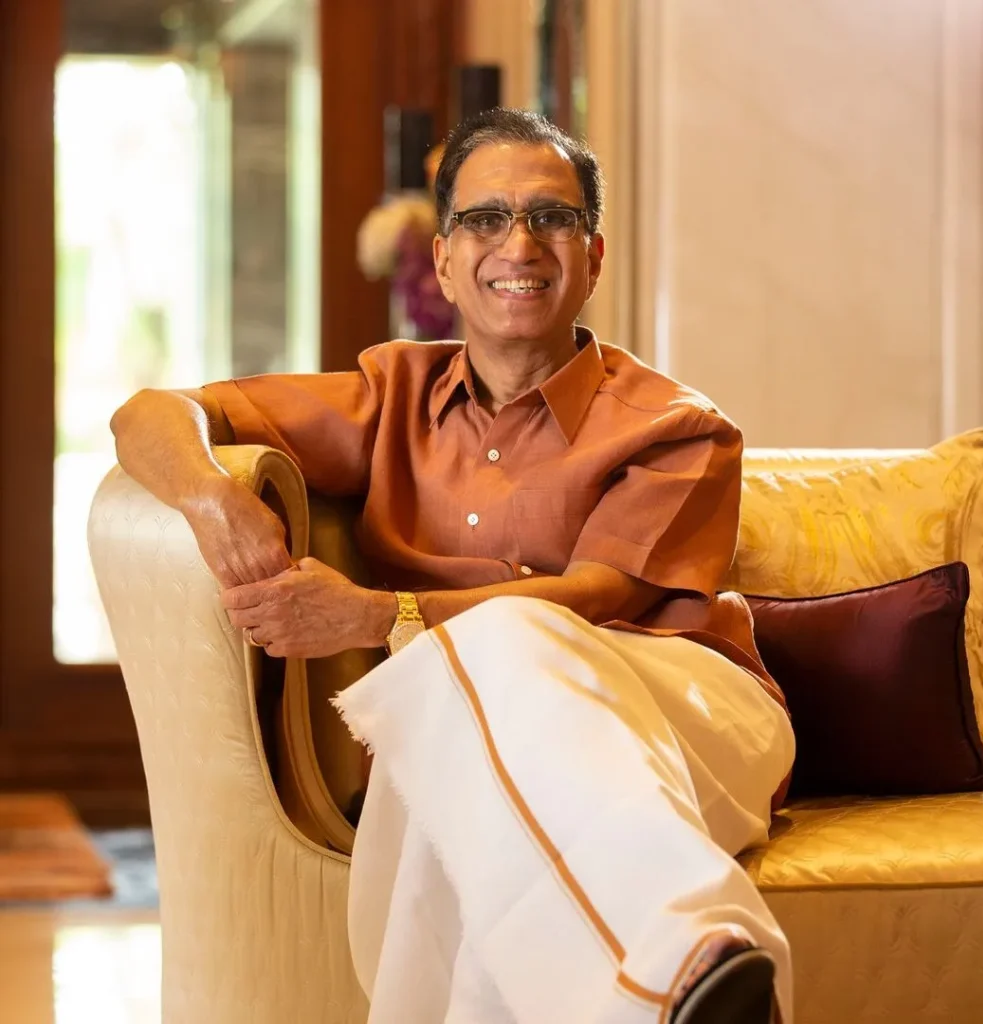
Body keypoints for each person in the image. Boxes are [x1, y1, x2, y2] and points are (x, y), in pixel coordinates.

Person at [111, 108, 795, 1024]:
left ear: (593, 257)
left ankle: (683, 955)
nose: (520, 242)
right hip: (464, 728)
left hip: (691, 712)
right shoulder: (392, 394)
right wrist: (211, 499)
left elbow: (592, 599)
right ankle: (700, 987)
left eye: (552, 218)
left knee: (502, 653)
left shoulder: (677, 427)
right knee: (446, 788)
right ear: (442, 260)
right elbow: (150, 413)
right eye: (485, 218)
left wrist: (378, 617)